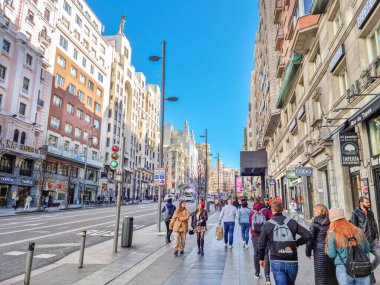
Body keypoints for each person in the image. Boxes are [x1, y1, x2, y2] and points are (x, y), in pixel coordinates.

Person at [258, 201, 311, 285]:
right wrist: (296, 243)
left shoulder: (268, 224)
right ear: (282, 209)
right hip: (292, 259)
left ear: (272, 210)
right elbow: (307, 235)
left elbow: (261, 244)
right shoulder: (292, 222)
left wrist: (261, 258)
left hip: (276, 259)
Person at [326, 207, 370, 285]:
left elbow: (331, 254)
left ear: (331, 220)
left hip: (343, 267)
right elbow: (367, 249)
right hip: (362, 266)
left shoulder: (333, 234)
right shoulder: (358, 230)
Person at [306, 204, 338, 285]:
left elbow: (310, 239)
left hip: (319, 252)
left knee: (320, 276)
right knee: (332, 274)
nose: (313, 212)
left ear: (319, 212)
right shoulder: (331, 222)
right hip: (332, 250)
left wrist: (308, 253)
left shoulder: (314, 223)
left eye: (314, 211)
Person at [351, 197, 380, 284]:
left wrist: (377, 236)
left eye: (368, 202)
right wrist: (355, 240)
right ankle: (370, 281)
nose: (369, 204)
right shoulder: (355, 213)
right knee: (366, 262)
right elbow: (354, 228)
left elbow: (374, 224)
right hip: (363, 241)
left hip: (373, 240)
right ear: (361, 203)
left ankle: (370, 270)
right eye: (367, 202)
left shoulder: (370, 212)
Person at [249, 198, 272, 283]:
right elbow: (271, 221)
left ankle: (257, 273)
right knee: (266, 254)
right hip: (265, 236)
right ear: (262, 202)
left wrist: (253, 233)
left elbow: (250, 224)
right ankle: (267, 277)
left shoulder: (252, 212)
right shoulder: (266, 211)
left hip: (255, 236)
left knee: (256, 254)